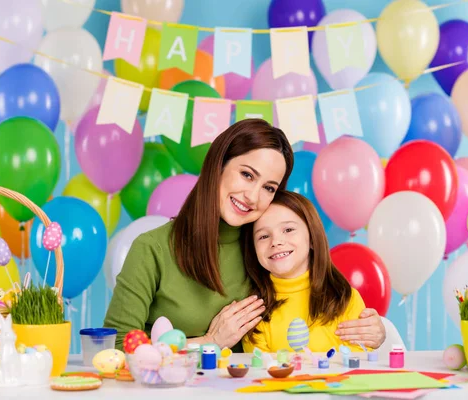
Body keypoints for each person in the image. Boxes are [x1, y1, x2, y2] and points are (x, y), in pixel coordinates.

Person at [104, 118, 386, 352]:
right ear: (219, 165)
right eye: (247, 175)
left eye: (269, 188)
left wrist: (374, 329)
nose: (252, 196)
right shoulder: (152, 249)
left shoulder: (266, 249)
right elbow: (115, 351)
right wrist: (209, 343)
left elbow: (314, 297)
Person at [241, 191, 378, 353]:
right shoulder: (254, 313)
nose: (276, 241)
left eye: (288, 229)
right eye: (263, 236)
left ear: (312, 238)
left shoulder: (345, 299)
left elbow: (358, 363)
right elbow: (260, 371)